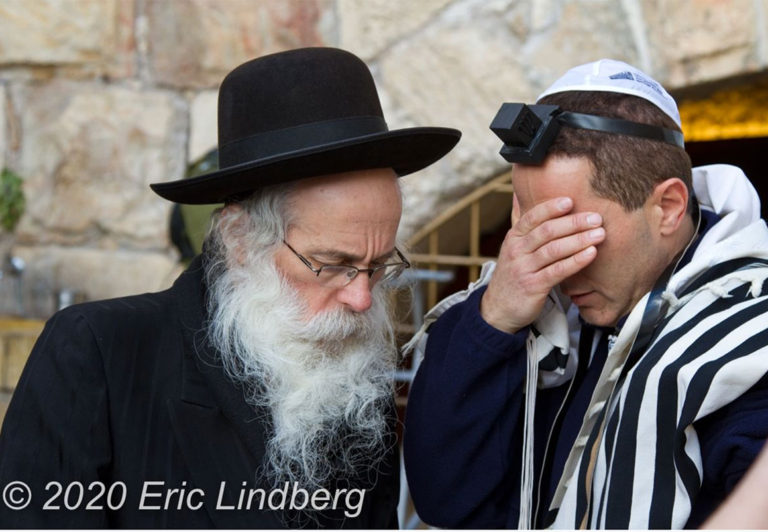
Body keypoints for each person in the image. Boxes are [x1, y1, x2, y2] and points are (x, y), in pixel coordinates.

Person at [0, 47, 460, 528]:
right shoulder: (98, 352)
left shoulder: (355, 384)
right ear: (240, 240)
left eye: (378, 266)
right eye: (332, 265)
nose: (362, 298)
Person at [403, 59, 768, 529]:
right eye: (532, 231)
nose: (554, 267)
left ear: (669, 207)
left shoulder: (749, 350)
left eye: (575, 235)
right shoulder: (533, 308)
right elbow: (447, 504)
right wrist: (493, 319)